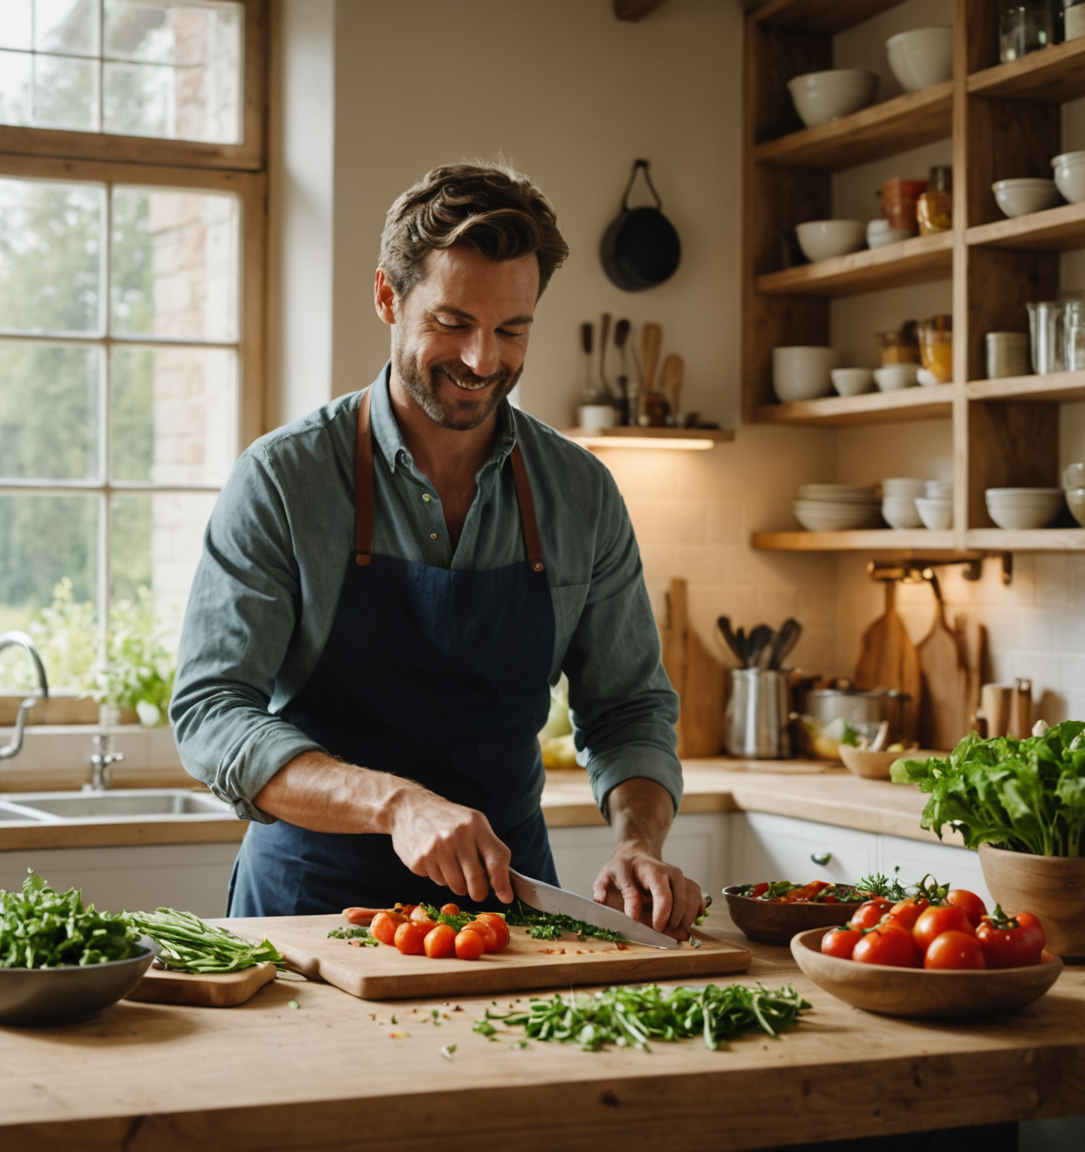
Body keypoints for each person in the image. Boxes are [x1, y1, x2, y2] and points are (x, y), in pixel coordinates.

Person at [169, 161, 704, 937]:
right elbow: (211, 712)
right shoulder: (284, 480)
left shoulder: (579, 494)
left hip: (511, 914)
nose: (484, 361)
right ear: (388, 296)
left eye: (512, 330)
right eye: (453, 322)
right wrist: (396, 803)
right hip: (309, 909)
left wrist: (638, 841)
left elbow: (628, 709)